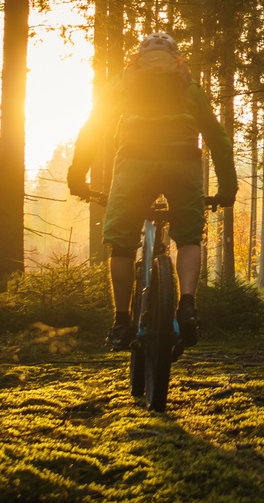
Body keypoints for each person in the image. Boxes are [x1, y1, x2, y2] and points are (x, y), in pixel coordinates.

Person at [67, 33, 237, 351]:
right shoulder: (188, 85)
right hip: (183, 163)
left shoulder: (125, 81)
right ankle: (187, 307)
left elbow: (92, 128)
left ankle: (121, 321)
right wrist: (227, 188)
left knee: (121, 244)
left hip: (135, 164)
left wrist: (78, 176)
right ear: (176, 59)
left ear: (138, 60)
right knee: (189, 238)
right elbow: (217, 137)